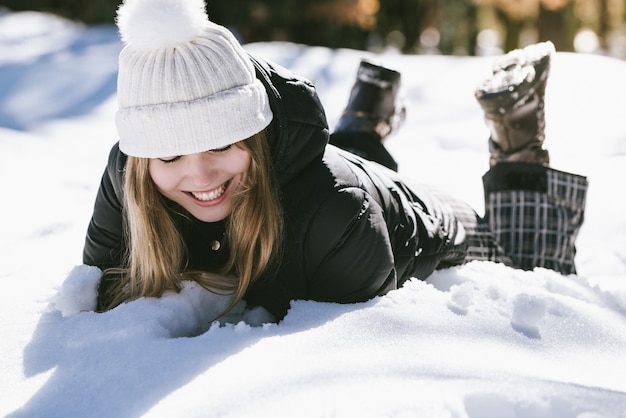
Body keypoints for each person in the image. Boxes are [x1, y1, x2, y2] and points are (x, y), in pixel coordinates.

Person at [83, 0, 587, 322]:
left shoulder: (336, 214)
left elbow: (347, 348)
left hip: (423, 221)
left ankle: (516, 137)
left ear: (258, 135)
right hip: (332, 187)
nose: (200, 176)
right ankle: (366, 118)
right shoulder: (128, 178)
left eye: (221, 145)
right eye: (171, 155)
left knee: (534, 263)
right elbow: (102, 287)